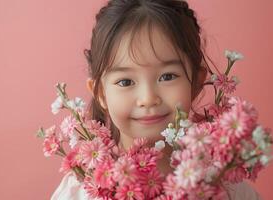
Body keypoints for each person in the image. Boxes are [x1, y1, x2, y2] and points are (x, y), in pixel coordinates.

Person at [51, 0, 261, 199]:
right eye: (125, 82)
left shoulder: (226, 187)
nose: (148, 98)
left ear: (196, 83)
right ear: (101, 93)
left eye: (167, 76)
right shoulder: (79, 192)